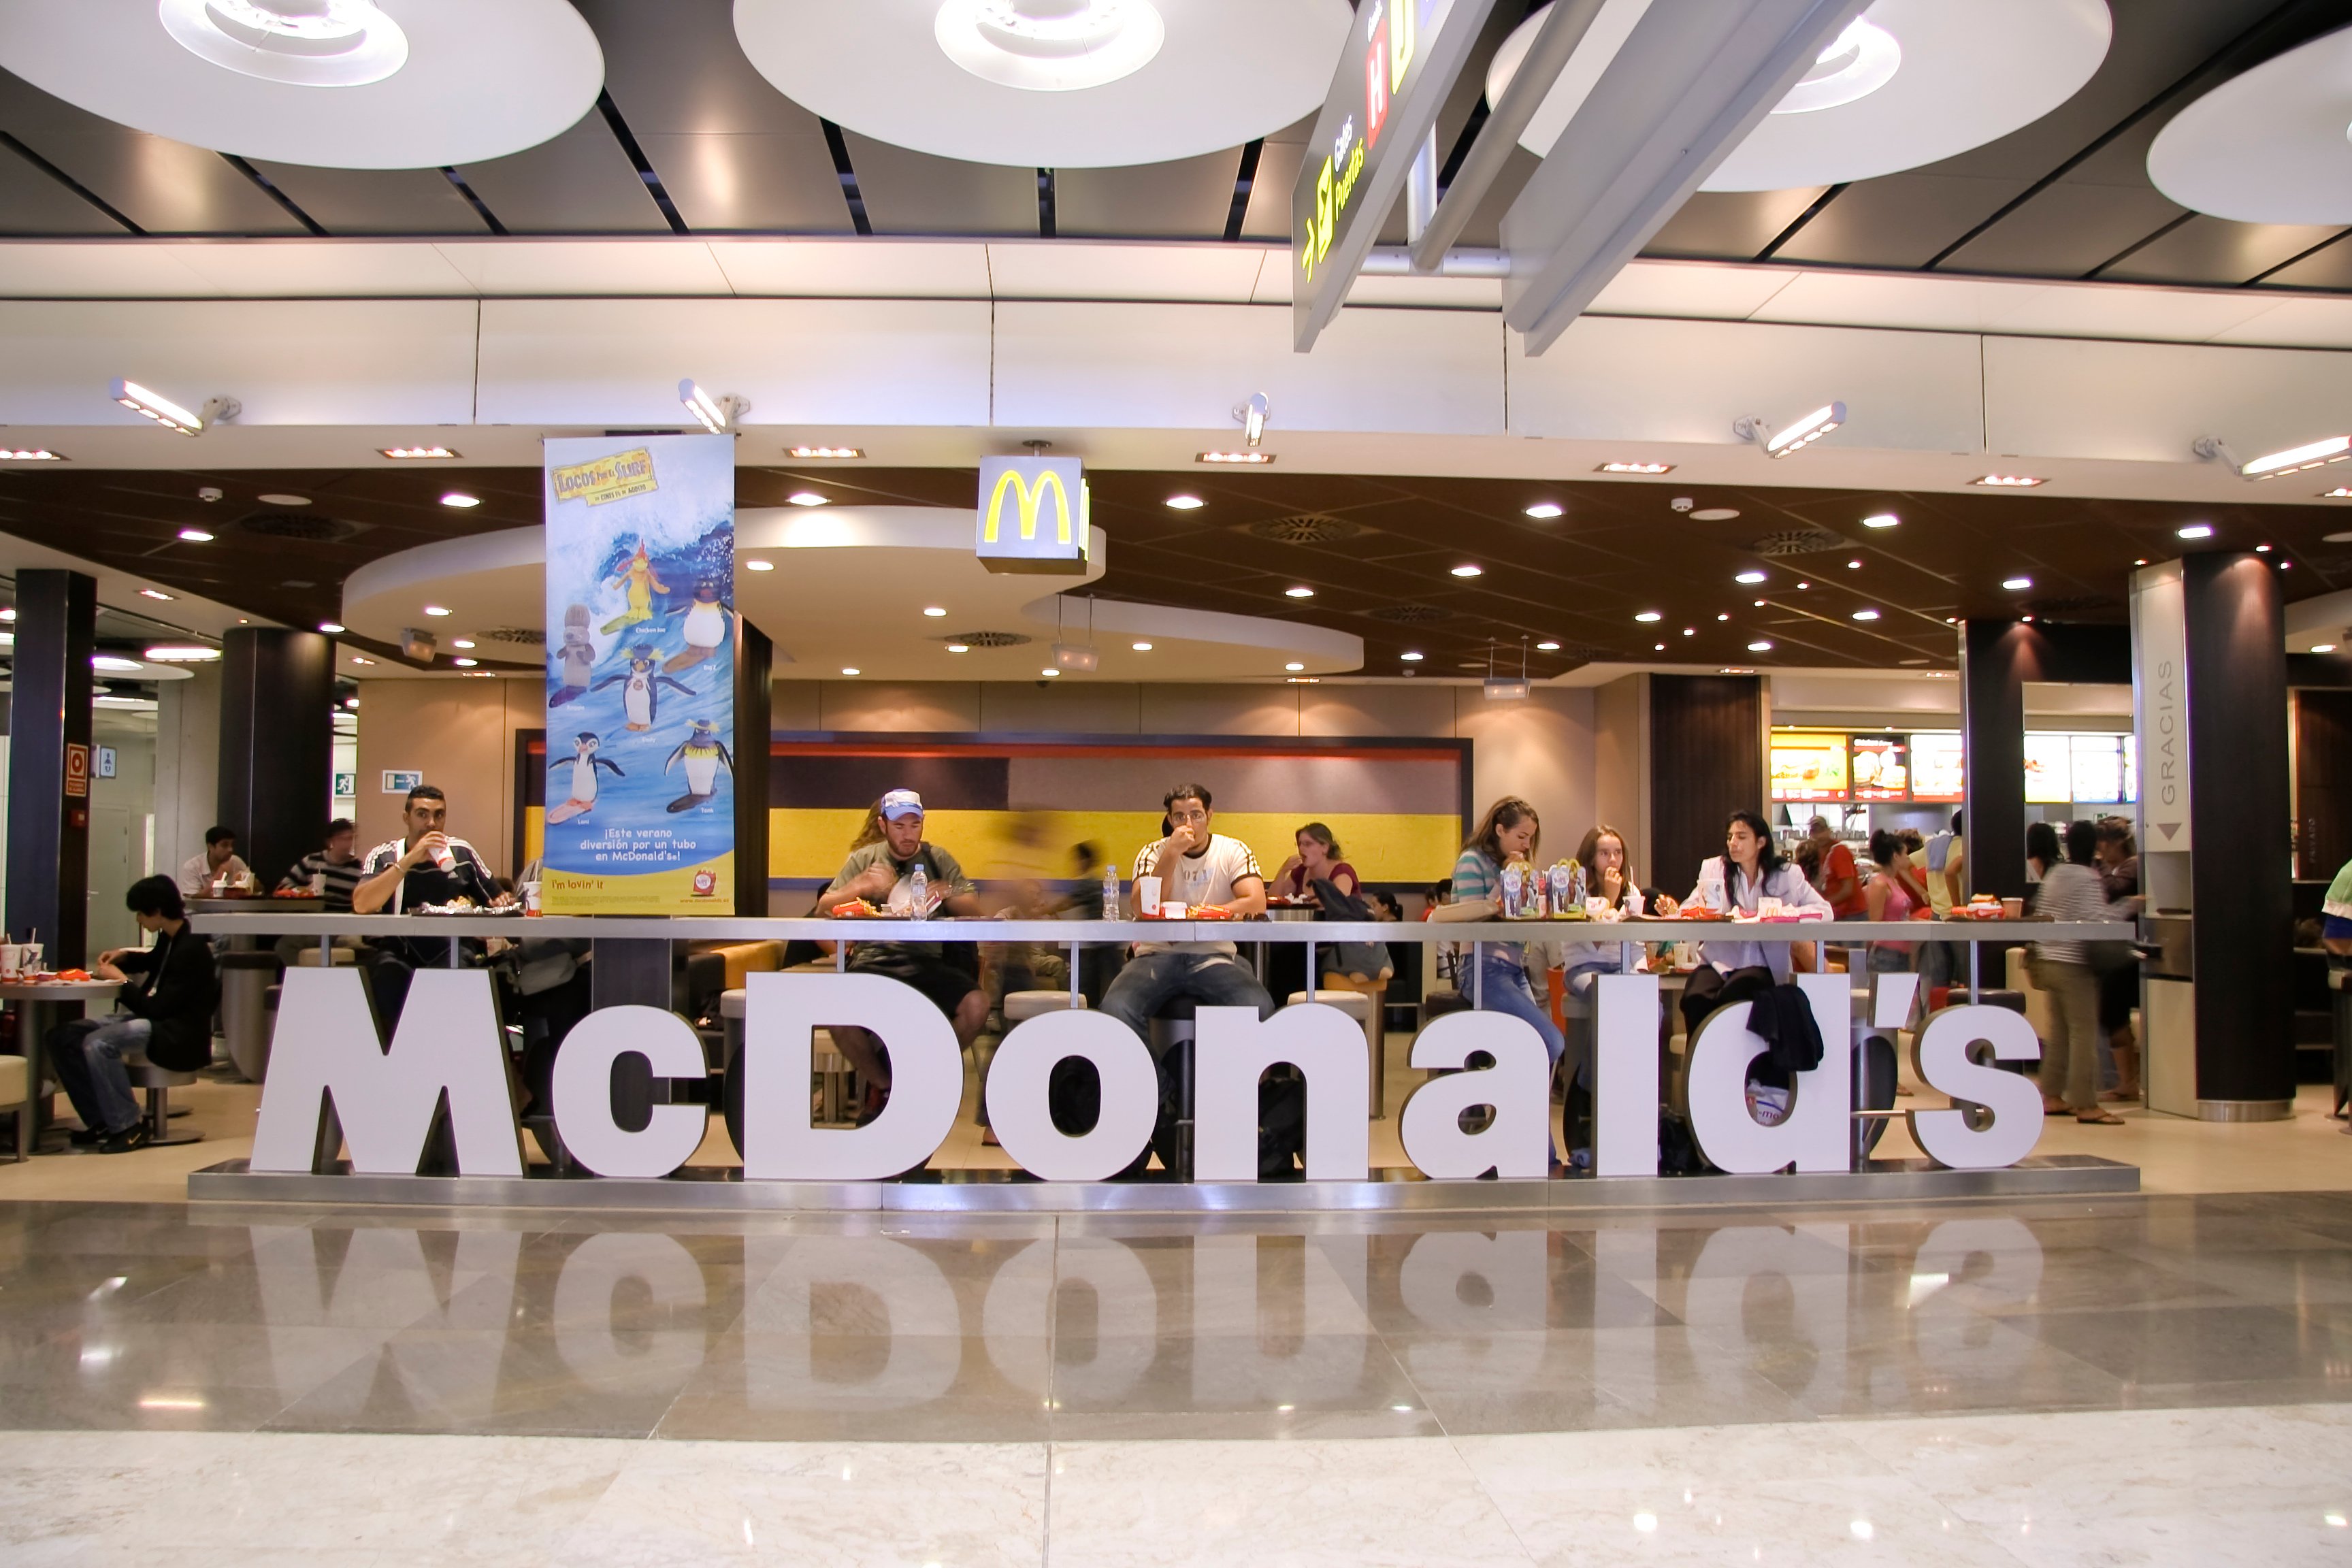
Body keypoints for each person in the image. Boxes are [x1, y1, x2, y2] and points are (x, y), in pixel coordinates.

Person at [818, 789, 988, 1115]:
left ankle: (923, 1074)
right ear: (882, 825)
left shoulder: (939, 858)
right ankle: (884, 1086)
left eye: (915, 825)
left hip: (927, 962)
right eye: (899, 826)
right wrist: (860, 888)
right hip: (874, 961)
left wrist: (948, 892)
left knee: (977, 1006)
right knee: (837, 1014)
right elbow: (823, 908)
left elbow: (975, 910)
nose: (908, 834)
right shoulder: (865, 859)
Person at [48, 877, 218, 1154]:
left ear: (158, 911)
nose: (139, 919)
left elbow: (156, 1009)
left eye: (141, 913)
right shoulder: (174, 936)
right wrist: (124, 956)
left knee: (99, 1043)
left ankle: (128, 1125)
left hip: (175, 1030)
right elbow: (153, 959)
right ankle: (101, 1119)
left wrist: (122, 982)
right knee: (61, 1036)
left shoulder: (191, 950)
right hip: (158, 1020)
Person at [1098, 783, 1274, 1046]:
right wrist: (1171, 852)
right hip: (1155, 955)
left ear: (1210, 816)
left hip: (1213, 955)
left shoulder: (1233, 850)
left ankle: (1220, 1084)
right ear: (1170, 820)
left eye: (1196, 815)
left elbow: (1256, 903)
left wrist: (1203, 914)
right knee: (1116, 1009)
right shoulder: (1153, 852)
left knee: (1258, 1006)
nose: (1188, 823)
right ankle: (1160, 1087)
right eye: (1180, 817)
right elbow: (1143, 908)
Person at [1429, 796, 1569, 1077]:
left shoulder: (1516, 865)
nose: (1526, 845)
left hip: (1516, 968)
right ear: (1500, 830)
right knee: (1550, 1042)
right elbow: (1471, 917)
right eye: (1521, 836)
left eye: (1530, 838)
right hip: (1483, 967)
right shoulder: (1472, 861)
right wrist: (1505, 881)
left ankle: (1505, 1100)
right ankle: (1494, 1089)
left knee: (1541, 1046)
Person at [354, 785, 508, 1025]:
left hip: (452, 949)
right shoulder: (384, 855)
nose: (431, 823)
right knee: (387, 976)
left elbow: (497, 900)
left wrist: (501, 902)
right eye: (422, 815)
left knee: (458, 975)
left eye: (439, 815)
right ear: (407, 818)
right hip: (398, 951)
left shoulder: (461, 852)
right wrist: (410, 859)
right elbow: (362, 904)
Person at [1680, 810, 1833, 1037]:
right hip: (1719, 961)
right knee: (1694, 997)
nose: (1733, 843)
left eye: (1741, 837)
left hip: (1764, 965)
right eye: (1730, 837)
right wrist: (1687, 912)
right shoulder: (1714, 869)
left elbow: (1824, 911)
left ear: (1761, 842)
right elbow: (1689, 908)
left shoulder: (1787, 875)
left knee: (1736, 992)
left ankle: (1736, 1058)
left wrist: (1782, 915)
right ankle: (1702, 1064)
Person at [2029, 819, 2129, 1125]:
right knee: (2083, 1034)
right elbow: (2097, 919)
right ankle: (2086, 1104)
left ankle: (2052, 1094)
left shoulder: (2056, 873)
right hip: (2074, 964)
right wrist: (2130, 905)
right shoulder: (2087, 878)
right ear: (2096, 846)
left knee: (2059, 1034)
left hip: (2048, 960)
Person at [1559, 823, 1678, 998]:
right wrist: (1609, 899)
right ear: (1591, 858)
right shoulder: (1577, 891)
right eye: (1604, 853)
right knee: (1609, 994)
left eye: (1618, 852)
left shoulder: (1631, 891)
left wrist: (1641, 971)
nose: (1613, 860)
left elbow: (1634, 941)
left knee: (1649, 996)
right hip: (1583, 966)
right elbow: (1593, 945)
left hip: (1621, 965)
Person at [2093, 818, 2143, 1101]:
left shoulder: (2132, 866)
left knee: (2114, 1013)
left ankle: (2128, 1081)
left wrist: (2096, 864)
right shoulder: (2116, 867)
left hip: (2126, 952)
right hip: (2117, 949)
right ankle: (2127, 1080)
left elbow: (2113, 891)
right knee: (2113, 1015)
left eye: (2104, 842)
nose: (2100, 848)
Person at [1862, 829, 1918, 975]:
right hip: (1886, 955)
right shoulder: (1880, 884)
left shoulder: (1894, 881)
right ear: (1895, 856)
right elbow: (1875, 923)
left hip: (1903, 953)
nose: (1908, 858)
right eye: (1905, 854)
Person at [278, 818, 364, 910]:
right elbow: (283, 887)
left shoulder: (359, 868)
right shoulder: (312, 861)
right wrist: (305, 891)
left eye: (350, 838)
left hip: (344, 918)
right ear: (330, 841)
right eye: (341, 839)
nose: (347, 844)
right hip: (311, 915)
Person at [1271, 823, 1359, 907]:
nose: (1301, 849)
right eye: (1299, 844)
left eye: (1308, 844)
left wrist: (1307, 903)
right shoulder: (1300, 871)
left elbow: (1339, 900)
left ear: (1325, 848)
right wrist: (1283, 871)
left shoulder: (1342, 871)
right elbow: (1273, 899)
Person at [1806, 815, 1864, 919]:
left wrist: (1824, 905)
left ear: (1829, 831)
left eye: (1822, 831)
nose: (1819, 836)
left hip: (1852, 914)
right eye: (1815, 832)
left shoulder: (1839, 852)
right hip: (1835, 912)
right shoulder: (1818, 854)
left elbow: (1847, 890)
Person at [176, 824, 249, 897]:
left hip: (232, 908)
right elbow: (193, 899)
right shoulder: (192, 866)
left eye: (232, 845)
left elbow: (253, 889)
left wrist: (251, 882)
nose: (231, 850)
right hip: (202, 908)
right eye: (225, 845)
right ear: (210, 847)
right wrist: (220, 874)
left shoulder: (236, 861)